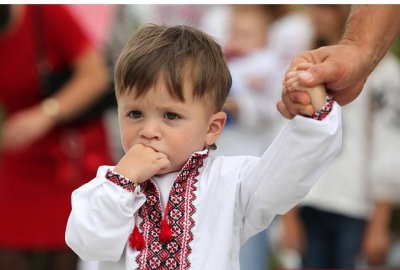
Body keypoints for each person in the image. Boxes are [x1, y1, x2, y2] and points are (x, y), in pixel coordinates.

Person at [65, 24, 342, 270]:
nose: (148, 131)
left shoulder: (233, 181)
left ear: (212, 128)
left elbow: (286, 174)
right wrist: (123, 180)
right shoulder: (107, 186)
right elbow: (90, 244)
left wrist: (314, 119)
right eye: (135, 114)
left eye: (170, 116)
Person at [278, 5, 400, 269]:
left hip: (354, 205)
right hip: (308, 200)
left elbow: (389, 145)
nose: (317, 15)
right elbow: (286, 137)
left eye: (328, 8)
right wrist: (287, 215)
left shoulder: (386, 74)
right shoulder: (305, 65)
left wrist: (380, 221)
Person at [0, 5, 113, 270]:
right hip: (21, 158)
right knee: (9, 252)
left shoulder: (46, 12)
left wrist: (45, 114)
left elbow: (96, 76)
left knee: (66, 250)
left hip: (70, 155)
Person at [279, 4, 400, 118]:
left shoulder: (385, 68)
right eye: (314, 6)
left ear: (344, 11)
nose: (317, 15)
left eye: (326, 7)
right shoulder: (305, 60)